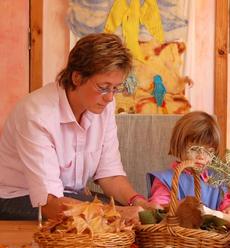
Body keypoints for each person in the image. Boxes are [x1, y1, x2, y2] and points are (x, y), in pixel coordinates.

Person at [0, 33, 155, 221]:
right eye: (103, 87)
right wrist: (119, 213)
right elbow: (50, 203)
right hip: (19, 198)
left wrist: (138, 202)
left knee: (130, 211)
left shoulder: (103, 107)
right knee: (115, 214)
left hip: (68, 195)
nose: (110, 97)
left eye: (116, 88)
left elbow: (110, 175)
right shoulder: (36, 114)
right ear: (77, 77)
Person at [147, 111, 230, 213]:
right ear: (179, 146)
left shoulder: (217, 178)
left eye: (209, 151)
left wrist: (229, 208)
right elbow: (159, 208)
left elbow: (227, 199)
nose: (201, 156)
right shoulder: (166, 180)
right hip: (179, 228)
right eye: (194, 149)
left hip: (214, 228)